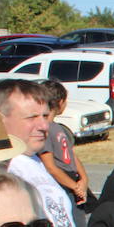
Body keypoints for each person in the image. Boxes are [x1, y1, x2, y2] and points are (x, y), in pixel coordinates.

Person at [0, 80, 79, 227]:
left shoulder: (35, 161)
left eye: (45, 116)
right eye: (31, 117)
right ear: (0, 119)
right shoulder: (1, 171)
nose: (43, 125)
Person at [37, 80, 92, 214]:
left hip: (72, 180)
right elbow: (50, 167)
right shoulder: (44, 129)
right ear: (61, 102)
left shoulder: (59, 128)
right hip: (61, 184)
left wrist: (84, 179)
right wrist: (75, 187)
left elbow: (71, 154)